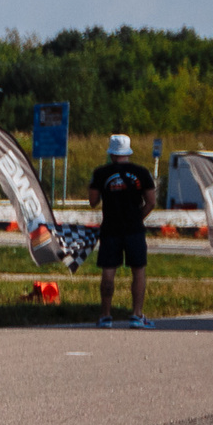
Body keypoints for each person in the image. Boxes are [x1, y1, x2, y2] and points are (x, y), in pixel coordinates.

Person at [90, 133, 155, 329]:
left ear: (111, 153)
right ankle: (136, 314)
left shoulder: (101, 173)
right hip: (134, 229)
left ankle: (105, 315)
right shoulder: (142, 172)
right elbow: (151, 202)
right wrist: (137, 217)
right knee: (138, 271)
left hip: (110, 228)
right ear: (128, 152)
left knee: (108, 271)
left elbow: (93, 201)